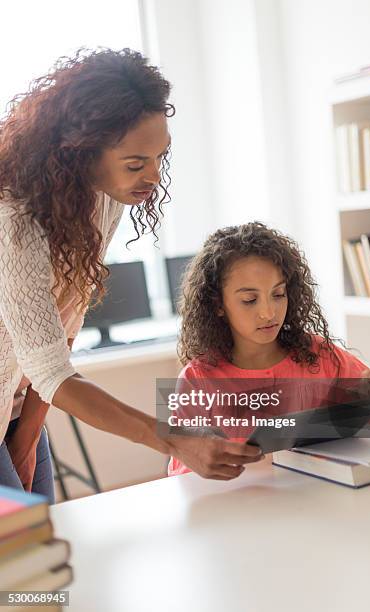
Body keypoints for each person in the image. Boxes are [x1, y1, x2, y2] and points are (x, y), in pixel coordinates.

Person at [0, 48, 262, 503]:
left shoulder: (103, 196)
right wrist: (173, 439)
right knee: (18, 562)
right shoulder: (13, 218)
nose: (153, 176)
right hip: (23, 380)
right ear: (79, 153)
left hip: (19, 394)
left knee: (32, 550)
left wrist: (26, 435)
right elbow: (49, 368)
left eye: (159, 157)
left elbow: (62, 330)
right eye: (136, 163)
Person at [168, 222, 370, 476]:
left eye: (278, 294)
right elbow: (182, 477)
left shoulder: (320, 355)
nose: (268, 313)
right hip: (243, 509)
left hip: (323, 501)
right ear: (218, 304)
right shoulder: (197, 381)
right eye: (250, 300)